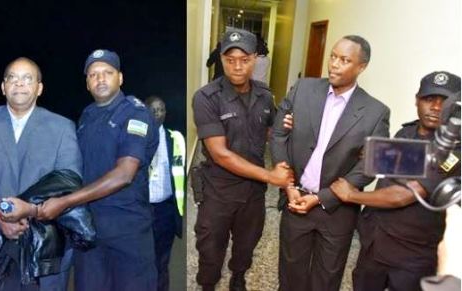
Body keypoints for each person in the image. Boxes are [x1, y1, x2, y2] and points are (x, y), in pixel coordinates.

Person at [0, 49, 159, 291]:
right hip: (89, 232)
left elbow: (125, 173)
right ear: (87, 82)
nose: (100, 79)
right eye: (93, 75)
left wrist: (65, 202)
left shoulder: (134, 112)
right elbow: (69, 166)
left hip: (127, 231)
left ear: (120, 78)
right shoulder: (87, 116)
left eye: (107, 73)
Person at [270, 35, 390, 291]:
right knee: (290, 276)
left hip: (337, 211)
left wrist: (324, 197)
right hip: (295, 199)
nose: (334, 64)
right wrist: (287, 183)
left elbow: (371, 164)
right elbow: (279, 133)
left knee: (326, 280)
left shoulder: (375, 112)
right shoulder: (303, 89)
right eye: (333, 56)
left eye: (344, 60)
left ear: (361, 67)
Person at [0, 57, 82, 291]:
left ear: (39, 88)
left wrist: (31, 211)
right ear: (3, 87)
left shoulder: (62, 127)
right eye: (12, 78)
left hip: (43, 242)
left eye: (27, 79)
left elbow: (69, 180)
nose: (20, 84)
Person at [329, 71, 461, 291]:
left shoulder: (453, 151)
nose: (436, 107)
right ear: (417, 99)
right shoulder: (406, 132)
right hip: (376, 242)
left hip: (413, 255)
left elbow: (404, 195)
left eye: (444, 102)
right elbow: (388, 171)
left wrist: (351, 195)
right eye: (429, 99)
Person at [192, 28, 294, 291]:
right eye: (230, 60)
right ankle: (208, 285)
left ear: (255, 59)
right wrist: (271, 176)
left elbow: (272, 131)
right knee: (210, 246)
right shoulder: (205, 97)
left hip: (252, 192)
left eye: (244, 59)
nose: (237, 66)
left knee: (247, 243)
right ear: (222, 60)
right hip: (218, 189)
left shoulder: (264, 95)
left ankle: (238, 277)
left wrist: (287, 126)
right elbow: (220, 154)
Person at [144, 95, 186, 291]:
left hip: (166, 210)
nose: (157, 114)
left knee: (162, 260)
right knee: (141, 261)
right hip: (141, 210)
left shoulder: (175, 138)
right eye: (152, 110)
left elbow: (180, 173)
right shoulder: (135, 139)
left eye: (161, 110)